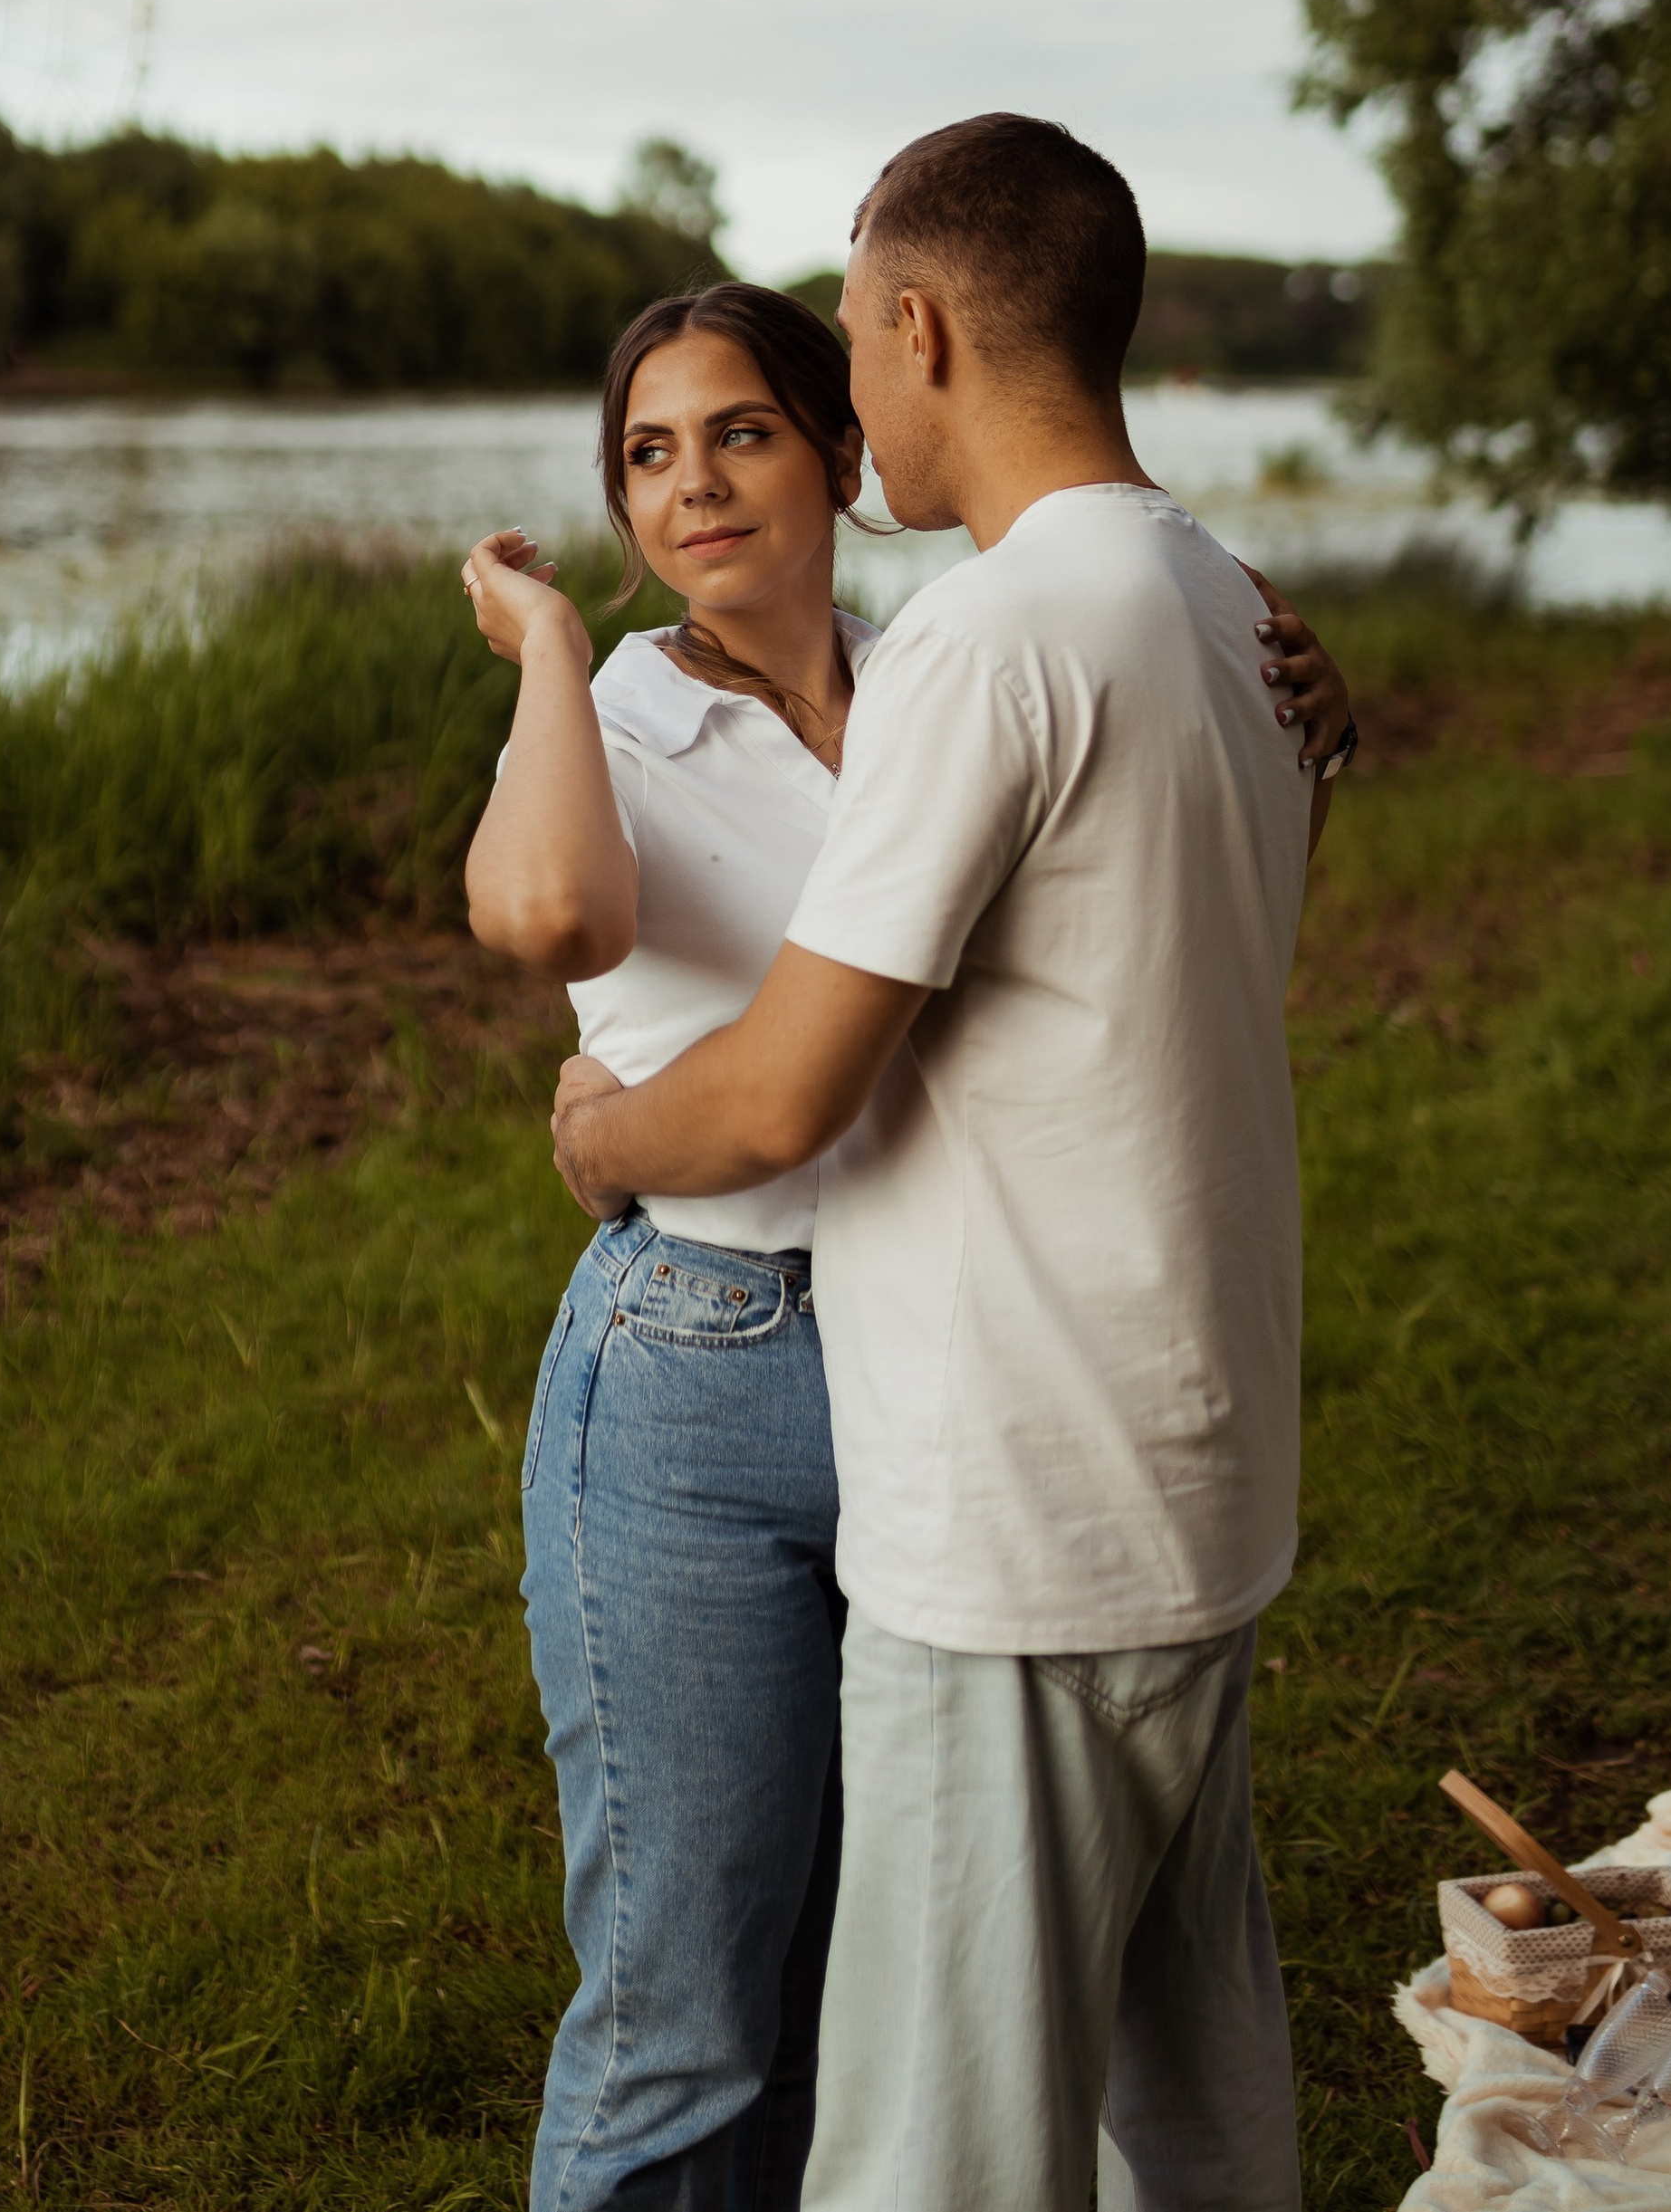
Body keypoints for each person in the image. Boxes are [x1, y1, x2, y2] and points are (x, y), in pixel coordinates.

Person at [465, 249, 1349, 2212]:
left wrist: (1295, 699)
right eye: (645, 457)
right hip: (694, 1380)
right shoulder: (615, 711)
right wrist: (538, 645)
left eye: (742, 431)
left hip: (934, 1372)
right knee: (683, 2005)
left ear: (843, 443)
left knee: (865, 1974)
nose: (692, 486)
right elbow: (542, 923)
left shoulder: (950, 660)